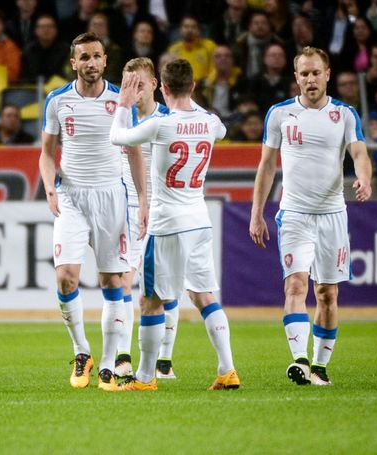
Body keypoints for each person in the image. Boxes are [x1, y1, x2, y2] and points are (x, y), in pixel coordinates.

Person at [109, 58, 240, 392]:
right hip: (200, 220)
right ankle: (227, 369)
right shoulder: (210, 122)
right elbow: (221, 129)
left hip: (166, 224)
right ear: (193, 87)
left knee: (150, 301)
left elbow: (118, 138)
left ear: (162, 88)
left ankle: (145, 378)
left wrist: (123, 105)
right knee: (203, 296)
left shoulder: (160, 125)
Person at [249, 46, 372, 386]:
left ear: (327, 74)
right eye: (304, 73)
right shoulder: (279, 114)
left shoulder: (345, 114)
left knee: (327, 294)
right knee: (295, 285)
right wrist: (256, 212)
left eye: (316, 72)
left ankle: (320, 366)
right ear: (296, 78)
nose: (310, 79)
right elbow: (267, 165)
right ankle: (300, 361)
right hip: (294, 214)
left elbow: (359, 152)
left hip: (332, 214)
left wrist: (364, 177)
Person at [39, 32, 147, 391]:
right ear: (74, 63)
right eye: (83, 57)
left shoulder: (120, 99)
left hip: (111, 198)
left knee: (112, 281)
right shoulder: (56, 101)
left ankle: (107, 365)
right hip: (71, 195)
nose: (91, 63)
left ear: (105, 60)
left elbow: (133, 152)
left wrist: (143, 199)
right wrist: (49, 184)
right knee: (66, 277)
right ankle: (81, 350)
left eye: (96, 56)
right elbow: (45, 152)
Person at [114, 57, 180, 381]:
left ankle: (164, 361)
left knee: (163, 290)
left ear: (155, 84)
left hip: (165, 210)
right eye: (128, 84)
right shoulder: (119, 116)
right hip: (128, 211)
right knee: (123, 281)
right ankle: (124, 357)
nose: (133, 90)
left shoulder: (170, 119)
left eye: (139, 83)